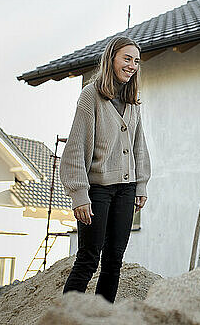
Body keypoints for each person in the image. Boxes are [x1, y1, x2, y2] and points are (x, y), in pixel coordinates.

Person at [60, 36, 151, 303]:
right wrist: (79, 194)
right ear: (111, 58)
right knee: (88, 259)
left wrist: (141, 184)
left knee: (114, 261)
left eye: (136, 61)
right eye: (127, 58)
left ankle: (101, 317)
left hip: (126, 189)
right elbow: (76, 147)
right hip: (97, 190)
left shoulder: (133, 101)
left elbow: (139, 145)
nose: (132, 65)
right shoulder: (91, 95)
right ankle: (66, 319)